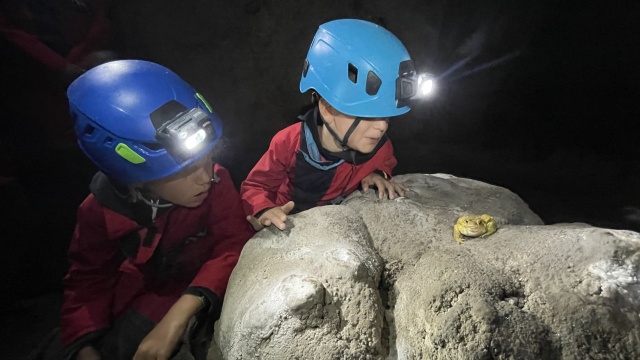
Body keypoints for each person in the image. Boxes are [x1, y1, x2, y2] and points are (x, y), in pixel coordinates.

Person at [45, 60, 253, 360]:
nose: (206, 176)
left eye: (207, 158)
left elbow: (233, 242)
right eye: (184, 171)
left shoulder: (216, 184)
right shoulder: (100, 213)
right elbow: (87, 282)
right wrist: (81, 344)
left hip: (195, 288)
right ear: (134, 175)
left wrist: (182, 310)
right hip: (146, 293)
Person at [241, 19, 425, 231]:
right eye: (368, 115)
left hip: (331, 232)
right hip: (288, 224)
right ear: (328, 110)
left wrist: (378, 174)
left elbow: (385, 161)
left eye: (386, 117)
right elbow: (256, 185)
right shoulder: (290, 142)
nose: (382, 127)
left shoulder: (379, 147)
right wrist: (264, 210)